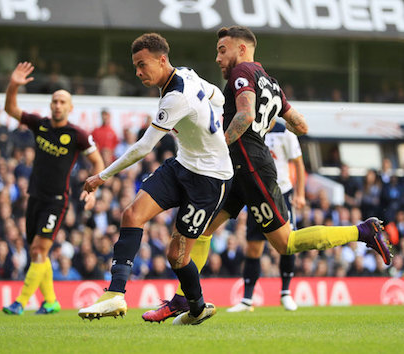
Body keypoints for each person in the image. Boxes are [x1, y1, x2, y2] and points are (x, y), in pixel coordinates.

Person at [141, 25, 392, 323]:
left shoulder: (241, 72)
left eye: (223, 50)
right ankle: (184, 300)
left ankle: (364, 231)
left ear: (242, 49)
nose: (219, 58)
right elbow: (301, 125)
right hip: (236, 167)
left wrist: (222, 141)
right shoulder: (271, 83)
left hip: (250, 167)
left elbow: (245, 114)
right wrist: (268, 120)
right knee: (203, 230)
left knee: (287, 243)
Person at [77, 33, 232, 326]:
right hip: (183, 165)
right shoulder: (185, 74)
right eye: (135, 65)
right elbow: (219, 97)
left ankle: (197, 308)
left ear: (162, 60)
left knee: (177, 256)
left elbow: (143, 147)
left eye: (142, 64)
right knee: (131, 214)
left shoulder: (175, 96)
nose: (137, 72)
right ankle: (115, 294)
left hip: (209, 179)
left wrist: (102, 176)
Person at [2, 62, 104, 315]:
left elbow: (98, 162)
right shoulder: (40, 125)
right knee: (38, 252)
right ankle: (50, 302)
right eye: (55, 101)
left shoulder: (78, 135)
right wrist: (14, 84)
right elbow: (10, 109)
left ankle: (20, 302)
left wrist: (93, 191)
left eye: (62, 102)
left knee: (39, 249)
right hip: (34, 197)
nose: (58, 105)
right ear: (51, 106)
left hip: (56, 201)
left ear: (70, 107)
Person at [226, 122, 305, 312]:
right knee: (253, 247)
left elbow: (299, 164)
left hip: (281, 194)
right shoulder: (249, 129)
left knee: (287, 244)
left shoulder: (284, 132)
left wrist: (300, 194)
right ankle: (246, 300)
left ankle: (286, 293)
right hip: (256, 193)